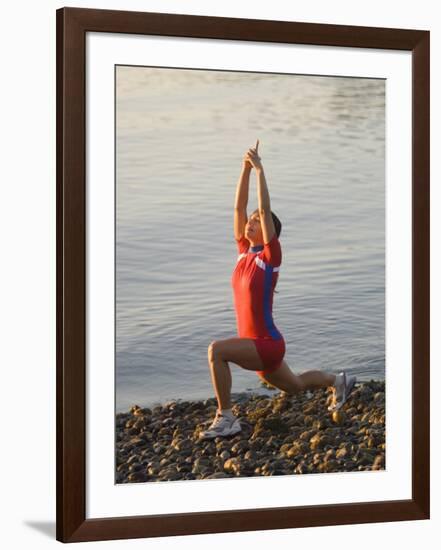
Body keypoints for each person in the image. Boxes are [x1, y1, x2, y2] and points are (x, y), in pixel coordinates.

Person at [200, 140, 356, 440]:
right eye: (252, 220)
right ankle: (338, 380)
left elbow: (264, 206)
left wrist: (260, 170)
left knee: (216, 351)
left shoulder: (269, 259)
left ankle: (227, 417)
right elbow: (239, 206)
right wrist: (244, 169)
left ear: (270, 231)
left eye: (258, 221)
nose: (251, 222)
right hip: (259, 346)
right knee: (296, 385)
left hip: (266, 344)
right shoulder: (244, 253)